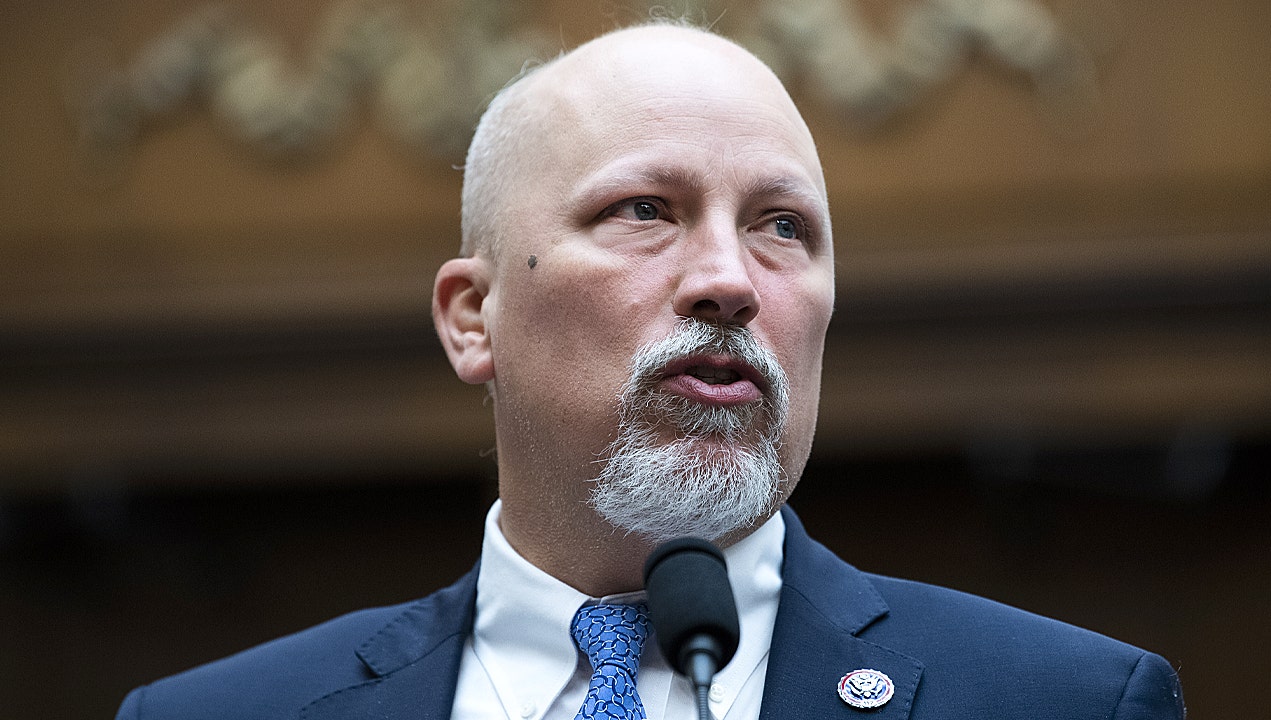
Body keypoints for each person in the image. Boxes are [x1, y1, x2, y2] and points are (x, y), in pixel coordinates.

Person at [115, 21, 1185, 720]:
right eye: (644, 211)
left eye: (780, 226)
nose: (728, 280)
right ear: (473, 316)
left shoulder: (1068, 702)